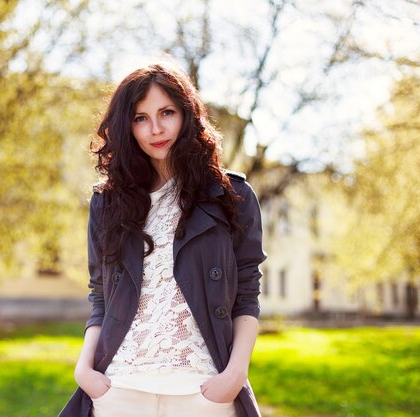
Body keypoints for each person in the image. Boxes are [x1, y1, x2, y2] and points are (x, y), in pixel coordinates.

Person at [57, 62, 267, 417]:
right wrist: (85, 371)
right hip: (120, 387)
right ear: (127, 127)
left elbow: (246, 293)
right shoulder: (108, 203)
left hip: (203, 388)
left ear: (186, 115)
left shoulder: (232, 196)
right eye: (140, 118)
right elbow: (101, 294)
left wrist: (234, 374)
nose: (155, 129)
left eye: (166, 112)